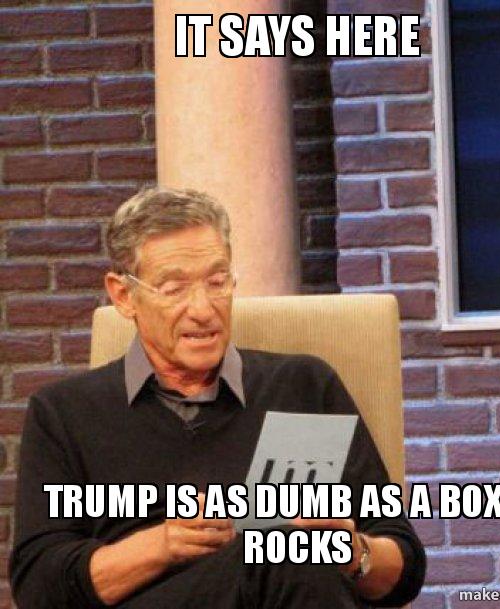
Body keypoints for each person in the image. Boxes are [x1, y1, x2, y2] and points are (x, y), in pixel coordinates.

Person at [9, 188, 426, 609]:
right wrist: (161, 546)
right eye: (174, 288)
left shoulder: (302, 387)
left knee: (292, 554)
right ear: (124, 296)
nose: (203, 309)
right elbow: (39, 587)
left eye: (217, 282)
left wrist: (354, 553)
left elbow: (404, 567)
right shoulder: (64, 412)